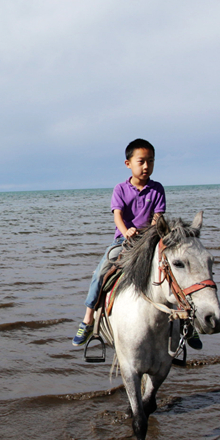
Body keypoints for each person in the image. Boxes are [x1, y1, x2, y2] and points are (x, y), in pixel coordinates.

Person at [72, 138, 165, 346]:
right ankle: (87, 319)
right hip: (124, 240)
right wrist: (127, 231)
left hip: (150, 238)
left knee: (178, 267)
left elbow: (157, 218)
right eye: (141, 161)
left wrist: (148, 233)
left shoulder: (157, 189)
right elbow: (118, 217)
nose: (146, 166)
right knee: (100, 272)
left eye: (150, 161)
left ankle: (190, 324)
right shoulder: (120, 189)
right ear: (128, 163)